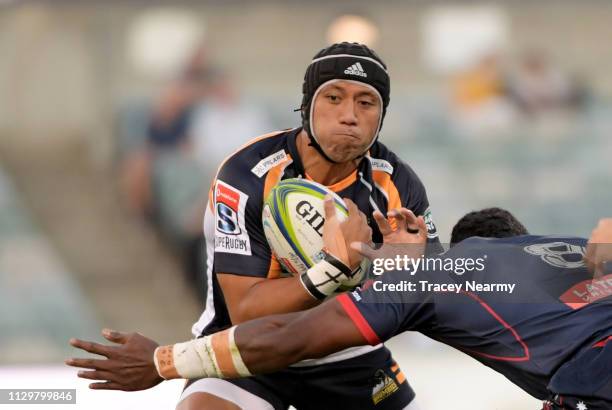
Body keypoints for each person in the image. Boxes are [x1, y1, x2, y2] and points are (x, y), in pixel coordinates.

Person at [70, 42, 440, 410]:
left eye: (366, 102)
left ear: (381, 116)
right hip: (243, 353)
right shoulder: (246, 175)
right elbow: (248, 310)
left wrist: (403, 270)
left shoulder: (398, 184)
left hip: (346, 355)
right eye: (334, 98)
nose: (349, 115)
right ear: (307, 105)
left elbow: (440, 297)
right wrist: (333, 269)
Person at [67, 209, 612, 410]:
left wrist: (163, 362)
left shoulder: (434, 271)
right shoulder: (566, 244)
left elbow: (288, 338)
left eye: (406, 227)